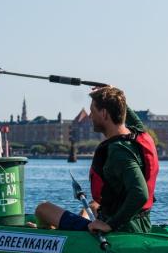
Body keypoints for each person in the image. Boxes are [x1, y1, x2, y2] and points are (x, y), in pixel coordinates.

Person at [34, 86, 158, 234]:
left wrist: (110, 225)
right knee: (94, 205)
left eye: (93, 111)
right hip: (141, 222)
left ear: (104, 113)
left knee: (43, 209)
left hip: (122, 229)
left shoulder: (119, 152)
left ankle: (49, 232)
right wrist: (112, 91)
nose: (91, 116)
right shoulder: (138, 133)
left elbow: (140, 194)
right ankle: (71, 228)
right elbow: (125, 111)